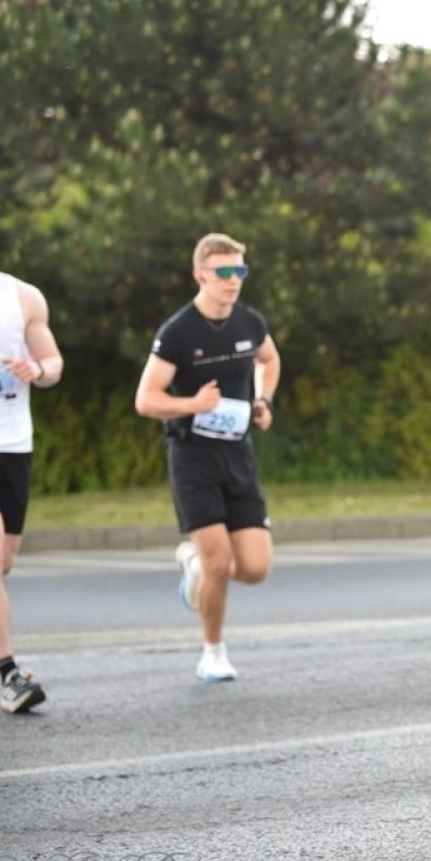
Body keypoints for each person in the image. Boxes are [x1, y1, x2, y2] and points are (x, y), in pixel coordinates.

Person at [134, 233, 280, 683]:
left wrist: (263, 401)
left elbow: (269, 360)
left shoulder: (249, 322)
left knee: (254, 568)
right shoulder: (177, 332)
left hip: (238, 455)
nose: (233, 280)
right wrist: (192, 405)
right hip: (192, 458)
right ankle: (212, 652)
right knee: (219, 563)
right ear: (200, 274)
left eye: (240, 271)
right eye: (224, 272)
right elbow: (146, 399)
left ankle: (195, 564)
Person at [0, 204, 61, 718]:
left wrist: (37, 370)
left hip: (11, 443)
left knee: (0, 562)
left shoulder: (23, 297)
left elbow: (53, 362)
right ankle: (10, 675)